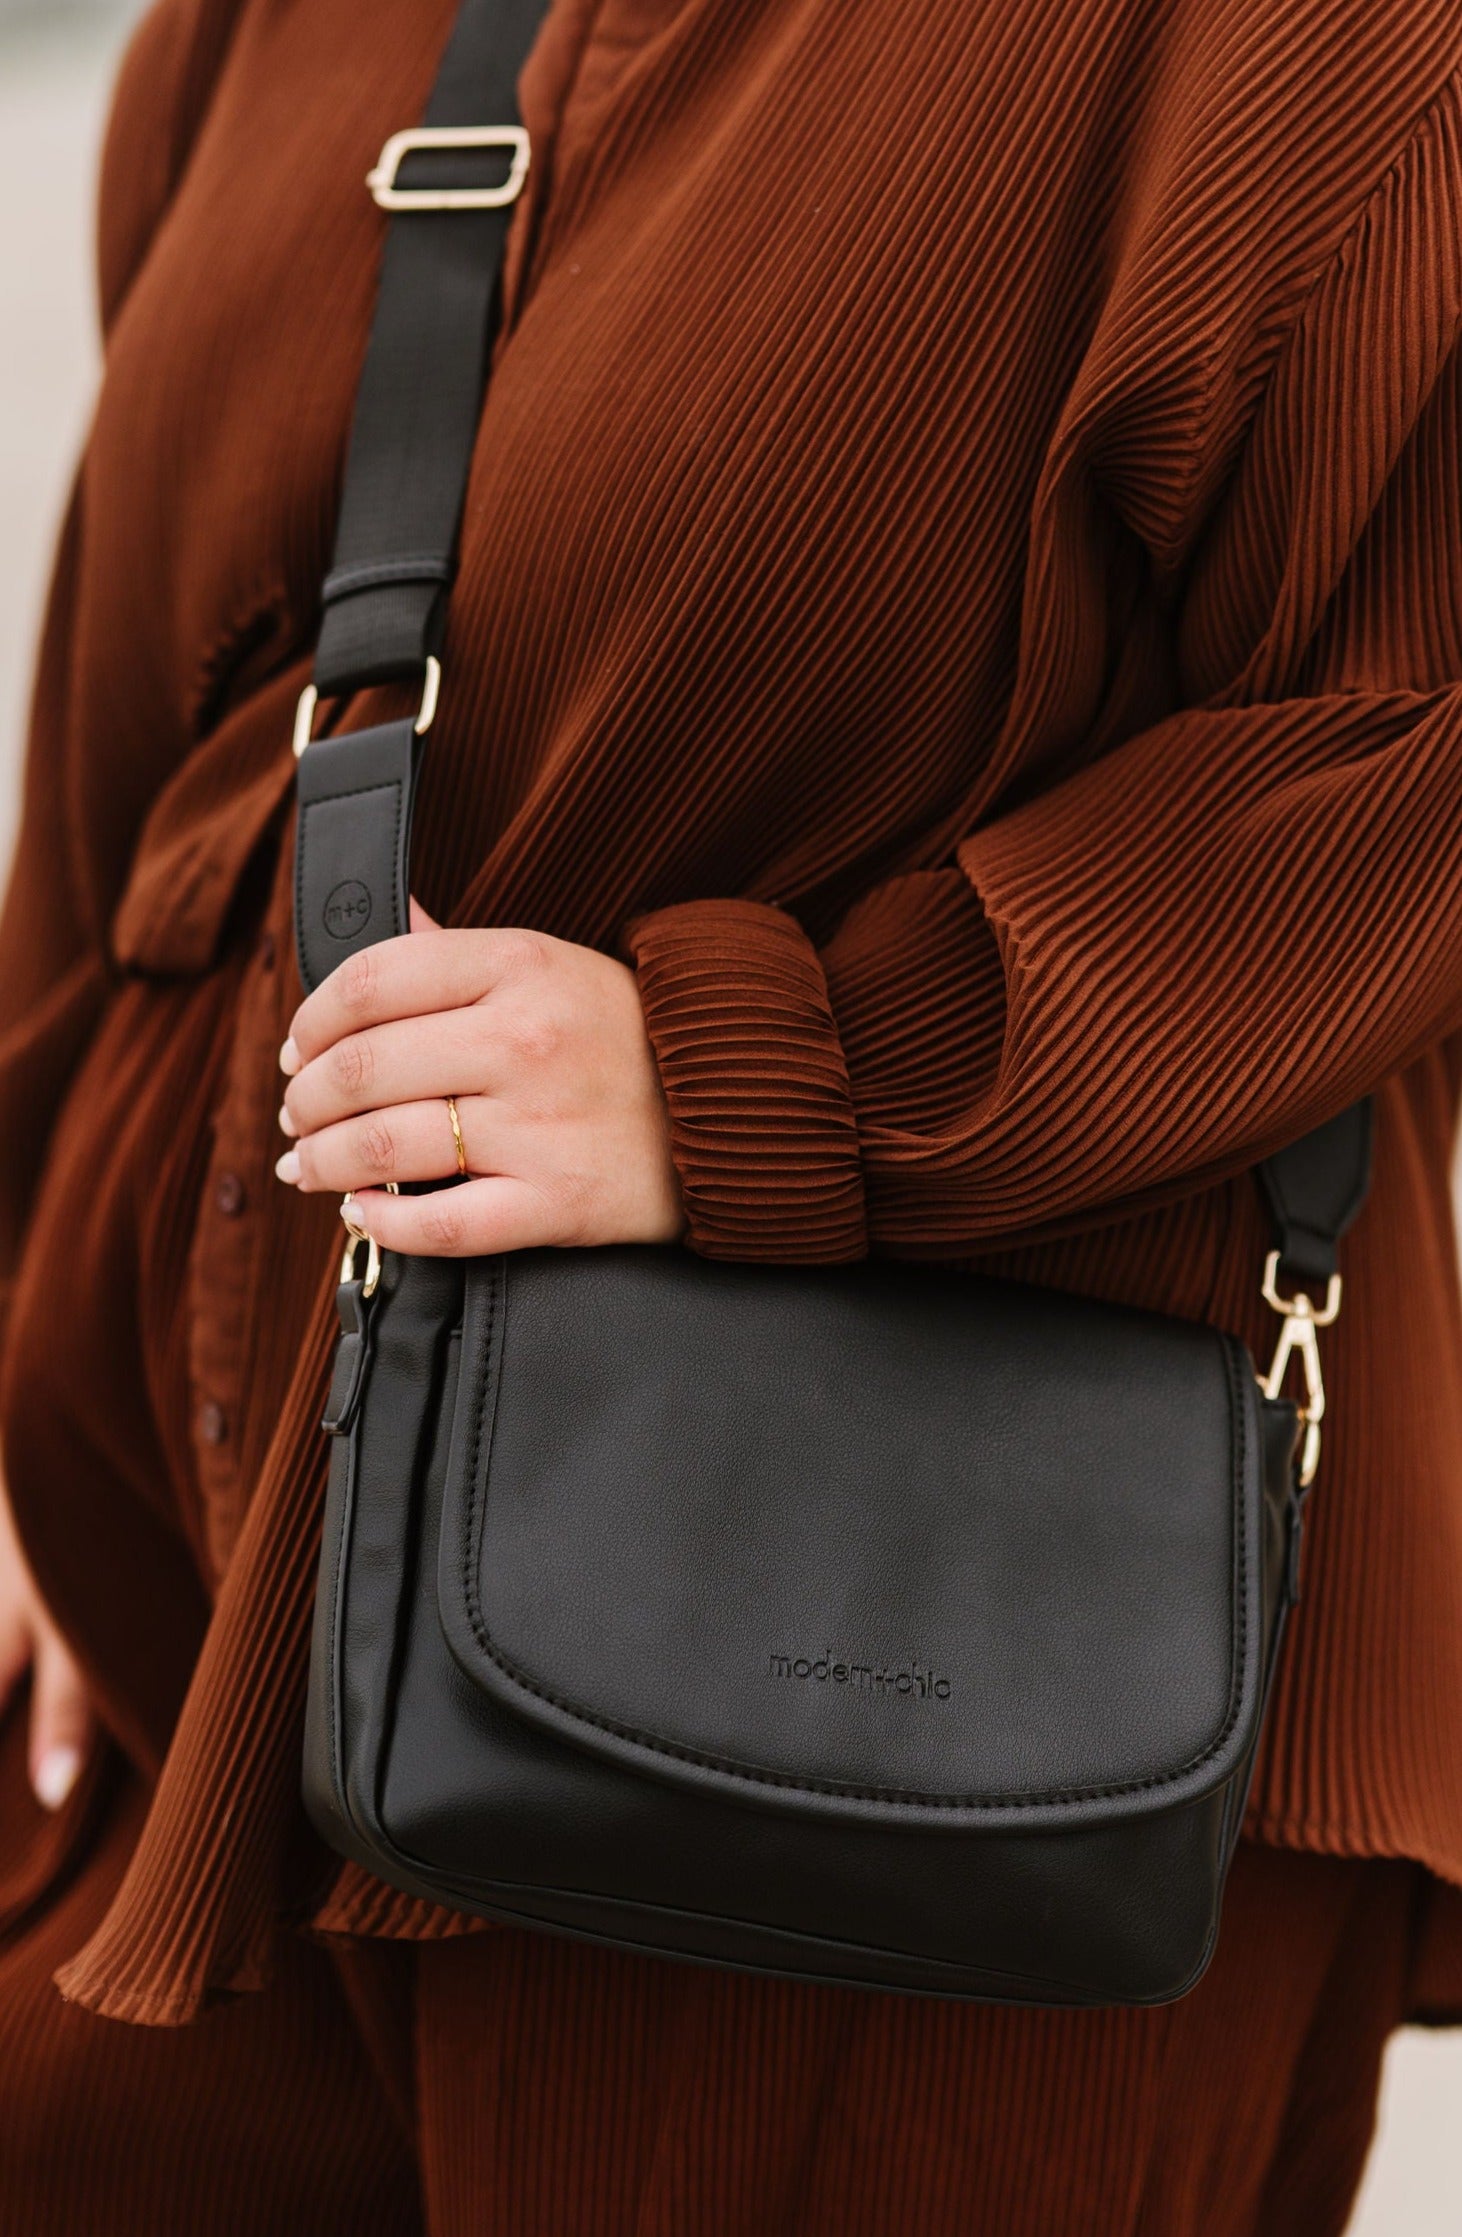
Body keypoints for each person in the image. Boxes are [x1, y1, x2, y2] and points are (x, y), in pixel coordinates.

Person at [1, 0, 1460, 2229]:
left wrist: (764, 1079)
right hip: (166, 1653)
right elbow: (128, 799)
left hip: (876, 1752)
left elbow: (1396, 760)